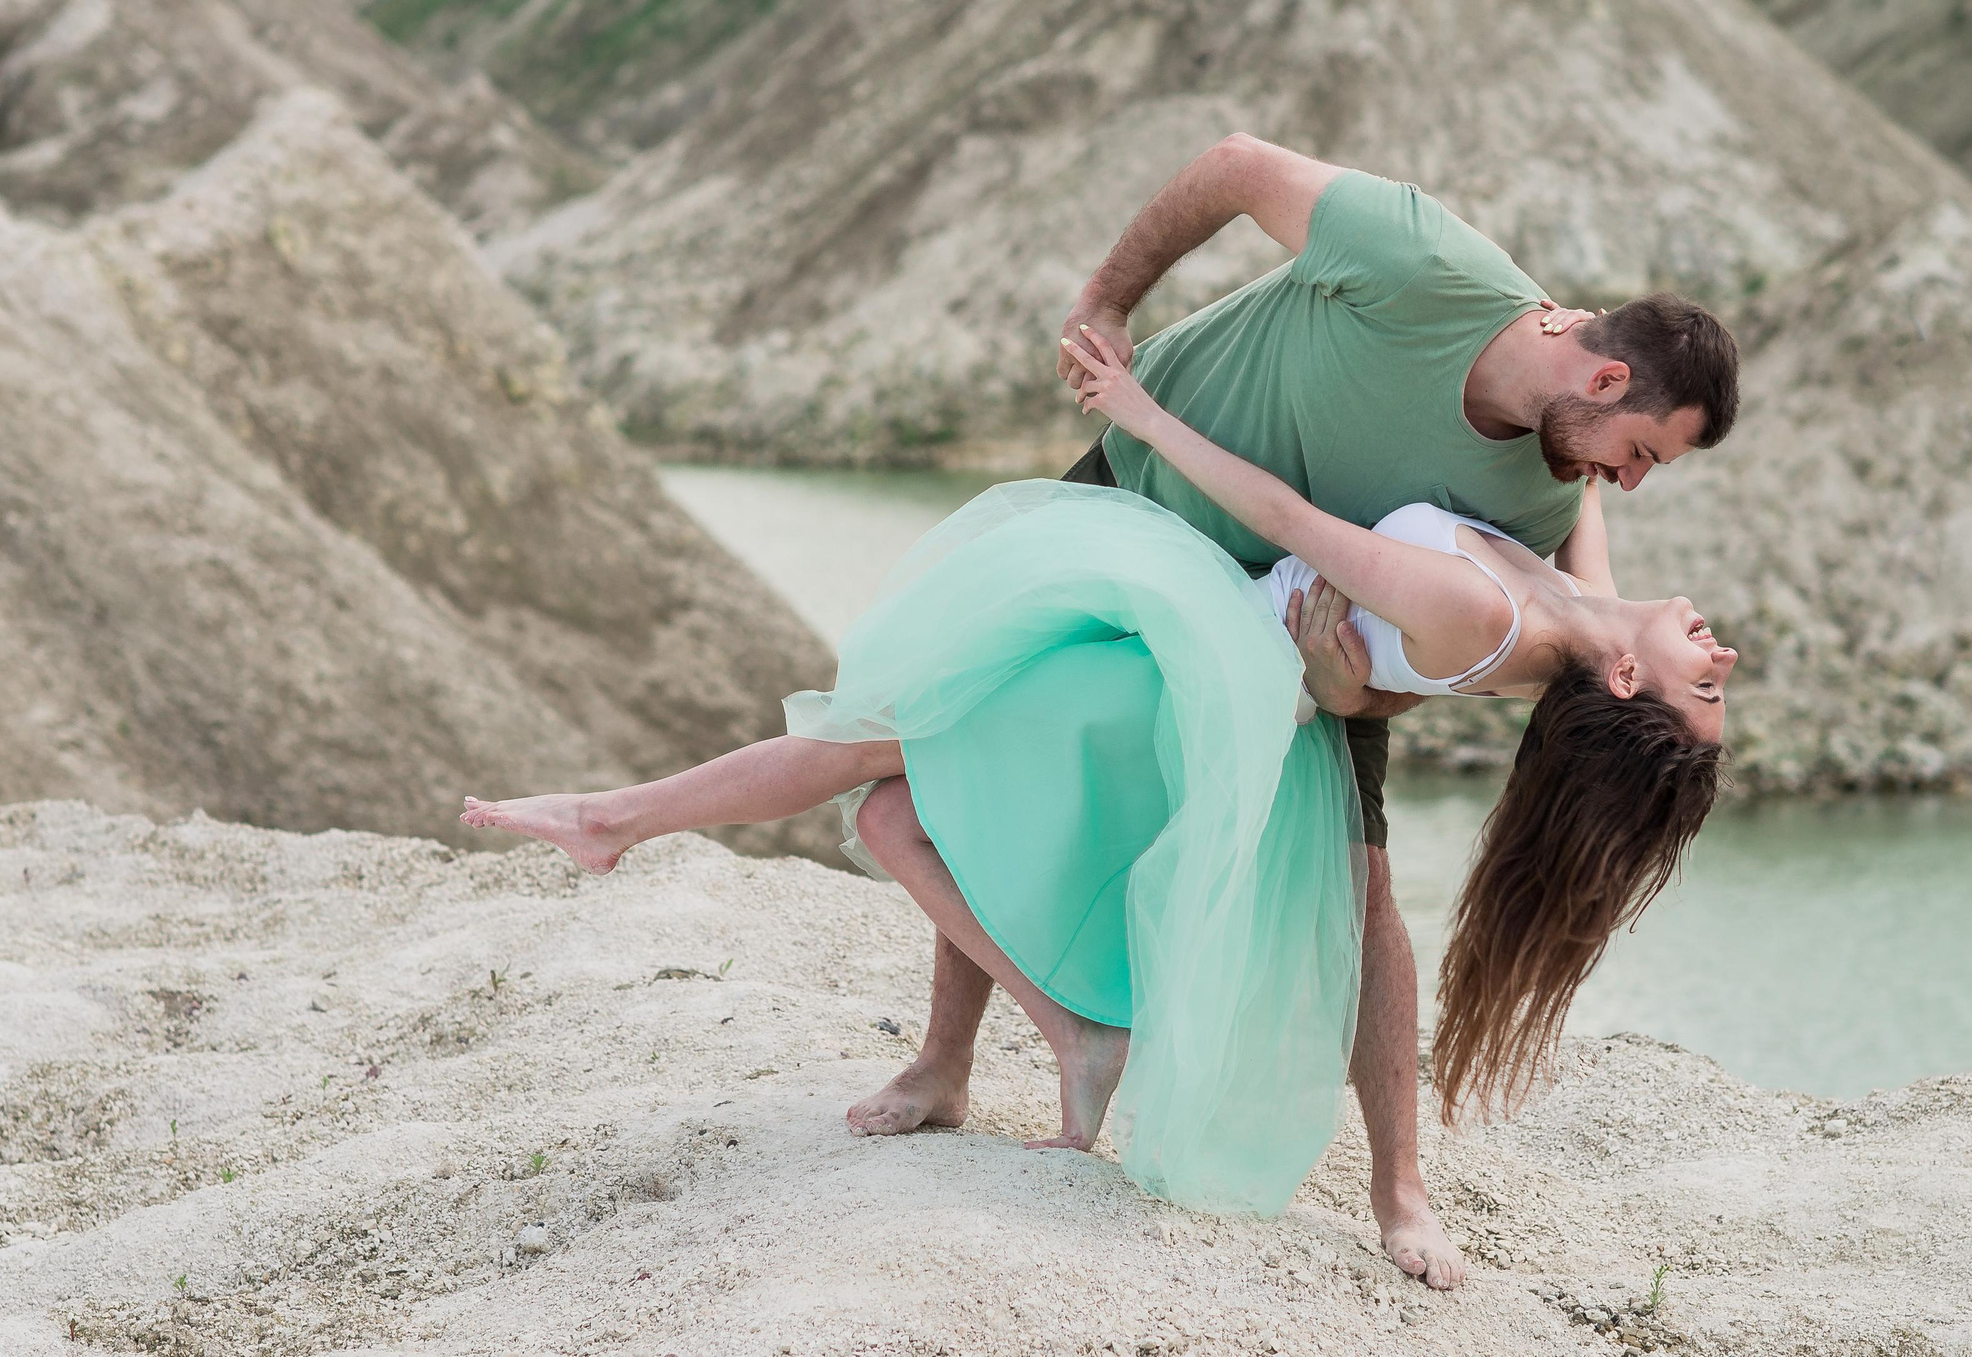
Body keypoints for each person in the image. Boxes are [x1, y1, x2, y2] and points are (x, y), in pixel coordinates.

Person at [456, 321, 1736, 1230]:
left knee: (887, 744)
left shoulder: (1480, 608)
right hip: (1215, 651)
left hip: (1199, 671)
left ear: (1628, 687)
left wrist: (1138, 414)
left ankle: (610, 820)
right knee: (897, 803)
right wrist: (1568, 362)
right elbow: (1585, 478)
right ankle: (1069, 1037)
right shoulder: (1582, 609)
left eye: (1709, 682)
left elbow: (1294, 525)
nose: (1721, 649)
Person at [967, 135, 1738, 1288]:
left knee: (1364, 883)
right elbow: (1231, 164)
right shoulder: (1424, 260)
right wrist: (1105, 302)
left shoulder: (1549, 479)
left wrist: (1342, 692)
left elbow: (1435, 660)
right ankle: (940, 1066)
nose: (1624, 481)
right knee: (974, 711)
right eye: (1639, 454)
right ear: (1607, 379)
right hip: (1143, 488)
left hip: (1304, 605)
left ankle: (1400, 1189)